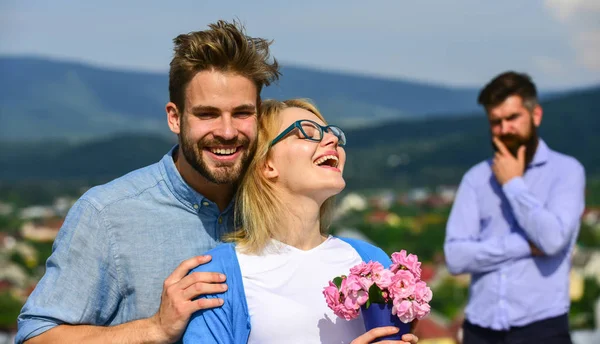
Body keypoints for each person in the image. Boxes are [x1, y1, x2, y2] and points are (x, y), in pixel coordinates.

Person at [16, 20, 281, 344]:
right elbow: (35, 338)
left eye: (241, 113)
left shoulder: (277, 206)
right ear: (175, 117)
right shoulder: (107, 215)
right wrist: (154, 328)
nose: (227, 131)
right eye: (207, 114)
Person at [181, 99, 420, 344]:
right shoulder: (217, 277)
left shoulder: (372, 262)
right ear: (266, 164)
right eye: (308, 132)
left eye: (332, 133)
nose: (332, 140)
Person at [444, 71, 585, 343]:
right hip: (479, 330)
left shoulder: (567, 171)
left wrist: (512, 185)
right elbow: (455, 257)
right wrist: (525, 245)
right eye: (496, 122)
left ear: (536, 115)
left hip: (542, 329)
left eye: (512, 118)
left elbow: (553, 240)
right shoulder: (476, 178)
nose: (504, 129)